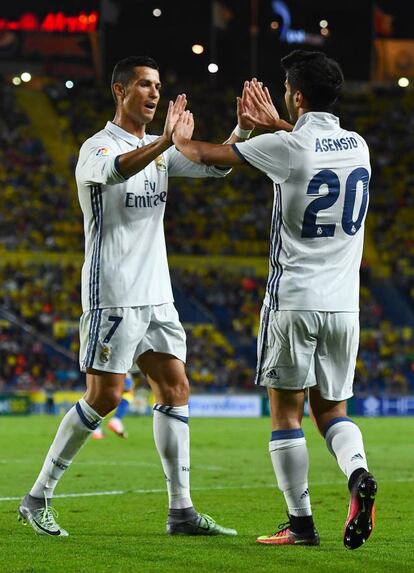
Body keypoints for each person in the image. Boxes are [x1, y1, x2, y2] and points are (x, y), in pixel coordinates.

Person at [17, 55, 250, 537]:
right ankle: (37, 497)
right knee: (105, 397)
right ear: (120, 91)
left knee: (176, 388)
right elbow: (119, 171)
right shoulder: (96, 148)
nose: (154, 93)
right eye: (144, 85)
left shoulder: (160, 150)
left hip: (157, 295)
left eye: (158, 86)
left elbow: (214, 167)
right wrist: (166, 140)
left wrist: (242, 132)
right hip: (114, 292)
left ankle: (181, 510)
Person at [172, 50, 377, 549]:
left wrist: (176, 134)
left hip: (292, 303)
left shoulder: (285, 147)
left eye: (288, 87)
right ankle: (358, 473)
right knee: (332, 412)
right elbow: (312, 146)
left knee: (286, 414)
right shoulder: (359, 146)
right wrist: (282, 124)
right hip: (345, 307)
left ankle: (301, 523)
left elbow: (204, 156)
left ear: (298, 95)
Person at [92, 371, 134, 439]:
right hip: (117, 371)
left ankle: (96, 430)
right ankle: (115, 421)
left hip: (101, 372)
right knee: (128, 394)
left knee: (102, 407)